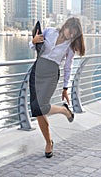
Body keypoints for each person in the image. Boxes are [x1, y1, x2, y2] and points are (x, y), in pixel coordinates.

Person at [28, 17, 85, 158]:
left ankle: (63, 110)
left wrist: (66, 88)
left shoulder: (70, 46)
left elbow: (68, 67)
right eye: (69, 31)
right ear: (65, 26)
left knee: (42, 106)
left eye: (73, 34)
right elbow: (33, 46)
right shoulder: (49, 32)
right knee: (37, 109)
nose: (70, 35)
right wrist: (33, 41)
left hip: (51, 73)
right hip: (37, 70)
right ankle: (49, 142)